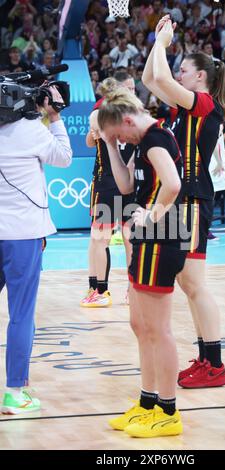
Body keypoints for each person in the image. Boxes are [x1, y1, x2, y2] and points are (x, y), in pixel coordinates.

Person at [142, 15, 225, 388]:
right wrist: (156, 44)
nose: (178, 75)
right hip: (185, 202)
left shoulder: (205, 104)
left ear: (200, 77)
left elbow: (161, 79)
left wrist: (163, 43)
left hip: (194, 200)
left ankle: (216, 364)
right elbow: (151, 79)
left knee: (195, 284)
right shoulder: (185, 108)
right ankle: (207, 358)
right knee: (188, 282)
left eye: (184, 71)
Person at [97, 87, 187, 438]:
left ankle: (168, 410)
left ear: (129, 120)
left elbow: (174, 184)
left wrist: (150, 216)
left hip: (163, 237)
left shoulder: (155, 139)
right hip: (149, 239)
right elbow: (122, 186)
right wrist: (109, 144)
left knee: (159, 329)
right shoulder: (140, 140)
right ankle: (147, 403)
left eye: (120, 133)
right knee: (140, 325)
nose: (122, 138)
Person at [0, 86, 72, 414]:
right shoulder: (31, 130)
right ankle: (15, 392)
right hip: (23, 236)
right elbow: (64, 157)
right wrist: (53, 116)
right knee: (21, 316)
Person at [80, 72, 136, 308]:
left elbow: (93, 138)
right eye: (128, 88)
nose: (133, 92)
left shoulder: (111, 114)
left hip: (120, 185)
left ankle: (107, 290)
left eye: (134, 88)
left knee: (125, 238)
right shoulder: (105, 112)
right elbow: (90, 140)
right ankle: (98, 287)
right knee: (100, 239)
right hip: (110, 183)